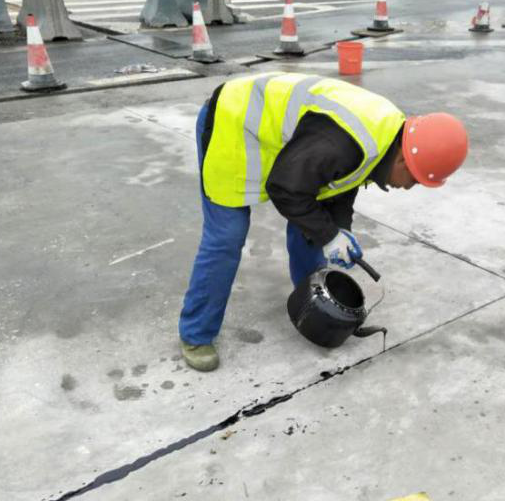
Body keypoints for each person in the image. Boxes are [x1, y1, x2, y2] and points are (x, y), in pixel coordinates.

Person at [178, 71, 469, 371]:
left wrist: (339, 228)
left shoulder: (388, 135)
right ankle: (196, 334)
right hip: (233, 121)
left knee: (315, 224)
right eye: (415, 179)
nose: (409, 188)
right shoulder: (341, 142)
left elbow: (344, 180)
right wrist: (328, 235)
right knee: (227, 234)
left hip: (290, 142)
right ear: (402, 159)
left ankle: (311, 301)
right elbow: (285, 188)